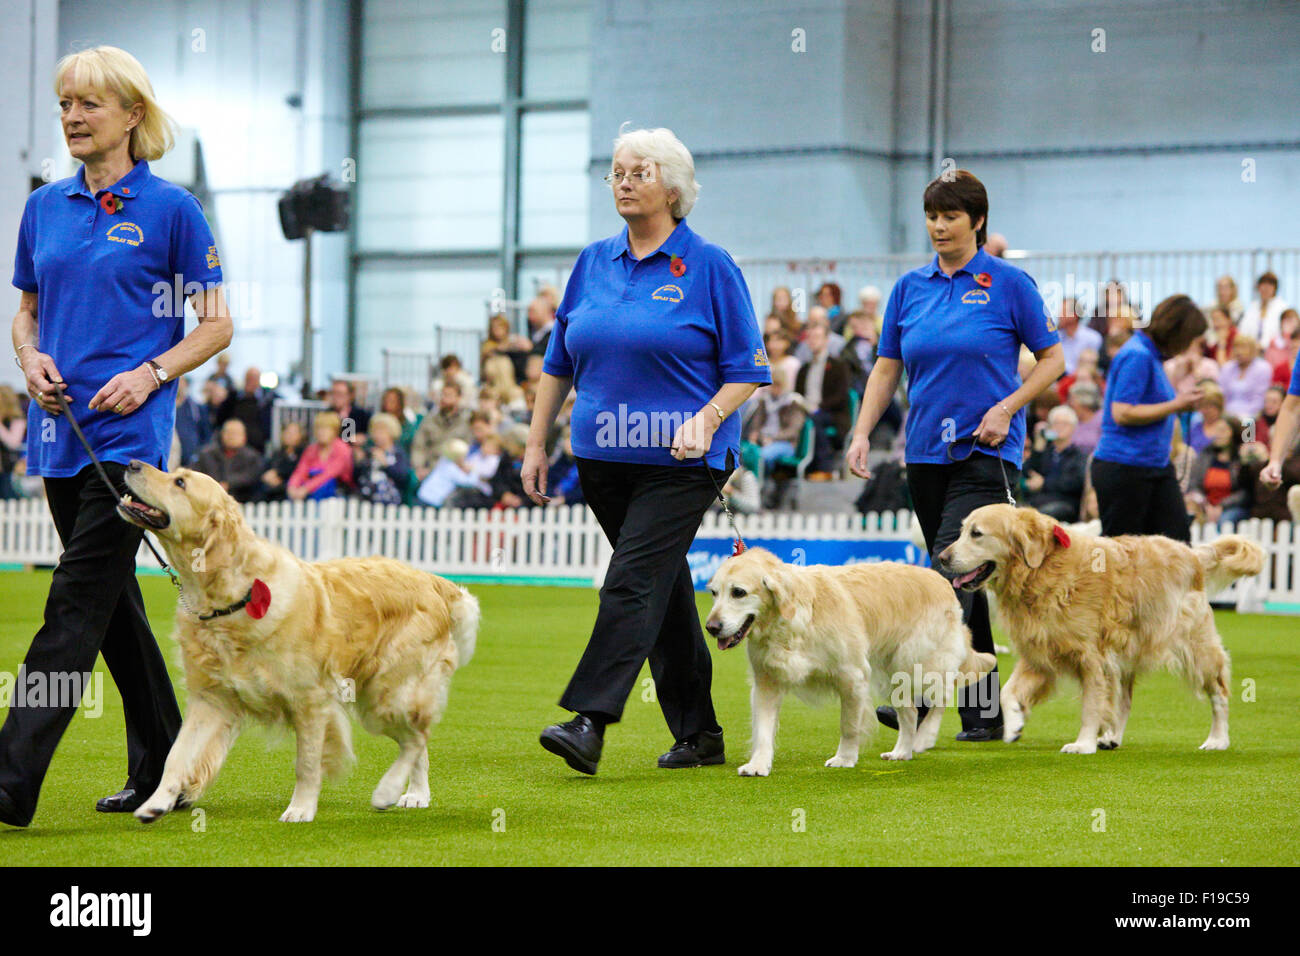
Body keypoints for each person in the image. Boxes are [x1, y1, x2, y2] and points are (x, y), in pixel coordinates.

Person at [1, 46, 233, 828]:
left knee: (71, 607)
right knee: (113, 610)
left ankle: (10, 778)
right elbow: (25, 313)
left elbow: (217, 325)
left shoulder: (171, 211)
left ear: (133, 115)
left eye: (90, 104)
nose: (72, 115)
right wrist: (29, 358)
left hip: (131, 447)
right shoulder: (45, 208)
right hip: (57, 436)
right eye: (66, 102)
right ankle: (167, 759)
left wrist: (152, 373)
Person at [525, 127, 769, 775]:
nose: (624, 182)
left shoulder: (710, 266)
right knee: (656, 589)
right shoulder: (592, 263)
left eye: (638, 172)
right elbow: (558, 364)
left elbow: (749, 368)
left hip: (684, 463)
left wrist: (707, 418)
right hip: (602, 459)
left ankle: (590, 719)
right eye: (616, 173)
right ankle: (701, 735)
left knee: (630, 581)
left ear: (672, 185)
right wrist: (535, 444)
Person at [845, 168, 1064, 742]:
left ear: (978, 221)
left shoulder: (1009, 283)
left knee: (947, 571)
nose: (939, 227)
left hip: (985, 452)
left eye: (951, 217)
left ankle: (912, 689)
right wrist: (862, 432)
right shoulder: (908, 289)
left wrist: (1008, 407)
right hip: (924, 454)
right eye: (932, 216)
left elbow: (1052, 360)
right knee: (967, 582)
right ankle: (985, 713)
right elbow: (887, 369)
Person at [1091, 294, 1208, 540]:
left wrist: (1178, 403)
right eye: (1188, 339)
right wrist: (1177, 404)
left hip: (1153, 466)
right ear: (1176, 332)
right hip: (1126, 468)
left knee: (1176, 550)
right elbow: (1122, 412)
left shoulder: (1149, 355)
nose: (1187, 346)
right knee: (1125, 556)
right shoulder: (1139, 356)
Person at [1023, 405, 1087, 521]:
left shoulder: (1079, 455)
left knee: (1044, 513)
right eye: (1056, 423)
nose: (1060, 427)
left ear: (1073, 428)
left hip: (1065, 504)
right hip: (1038, 501)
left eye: (1065, 424)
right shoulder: (1045, 452)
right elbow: (1027, 472)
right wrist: (1038, 447)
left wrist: (1044, 483)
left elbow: (1076, 483)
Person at [409, 381, 472, 482]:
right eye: (443, 395)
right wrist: (419, 467)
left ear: (458, 398)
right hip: (430, 471)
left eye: (449, 395)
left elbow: (469, 449)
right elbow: (419, 447)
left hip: (455, 472)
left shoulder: (466, 423)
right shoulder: (429, 421)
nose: (444, 398)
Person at [287, 411, 353, 501]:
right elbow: (300, 471)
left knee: (326, 484)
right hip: (310, 492)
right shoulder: (311, 449)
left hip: (336, 494)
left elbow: (328, 475)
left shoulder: (343, 449)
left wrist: (305, 489)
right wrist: (292, 486)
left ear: (334, 430)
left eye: (326, 428)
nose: (321, 432)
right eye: (319, 428)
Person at [1260, 345, 1300, 493]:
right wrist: (1273, 460)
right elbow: (1247, 448)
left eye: (1274, 402)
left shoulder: (1294, 432)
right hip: (1265, 493)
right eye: (1267, 401)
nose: (1269, 405)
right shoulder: (1253, 422)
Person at [195, 418, 263, 502]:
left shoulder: (253, 457)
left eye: (235, 433)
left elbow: (252, 477)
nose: (231, 436)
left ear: (244, 437)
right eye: (228, 432)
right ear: (222, 434)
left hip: (244, 502)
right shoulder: (206, 454)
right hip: (210, 501)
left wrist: (228, 484)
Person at [258, 419, 305, 502]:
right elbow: (266, 468)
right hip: (272, 488)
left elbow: (298, 471)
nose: (289, 436)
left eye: (293, 433)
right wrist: (267, 476)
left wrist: (277, 473)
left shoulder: (303, 453)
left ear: (300, 436)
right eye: (287, 432)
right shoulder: (277, 453)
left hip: (290, 487)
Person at [1239, 271, 1288, 345]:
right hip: (1251, 351)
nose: (1266, 288)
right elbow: (1243, 330)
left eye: (1269, 285)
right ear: (1258, 287)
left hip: (1273, 350)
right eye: (1263, 285)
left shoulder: (1282, 308)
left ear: (1275, 288)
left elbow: (1283, 334)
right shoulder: (1252, 307)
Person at [171, 375, 210, 466]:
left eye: (180, 381)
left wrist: (199, 456)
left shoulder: (196, 408)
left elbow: (206, 435)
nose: (178, 385)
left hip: (191, 462)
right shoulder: (163, 408)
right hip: (168, 460)